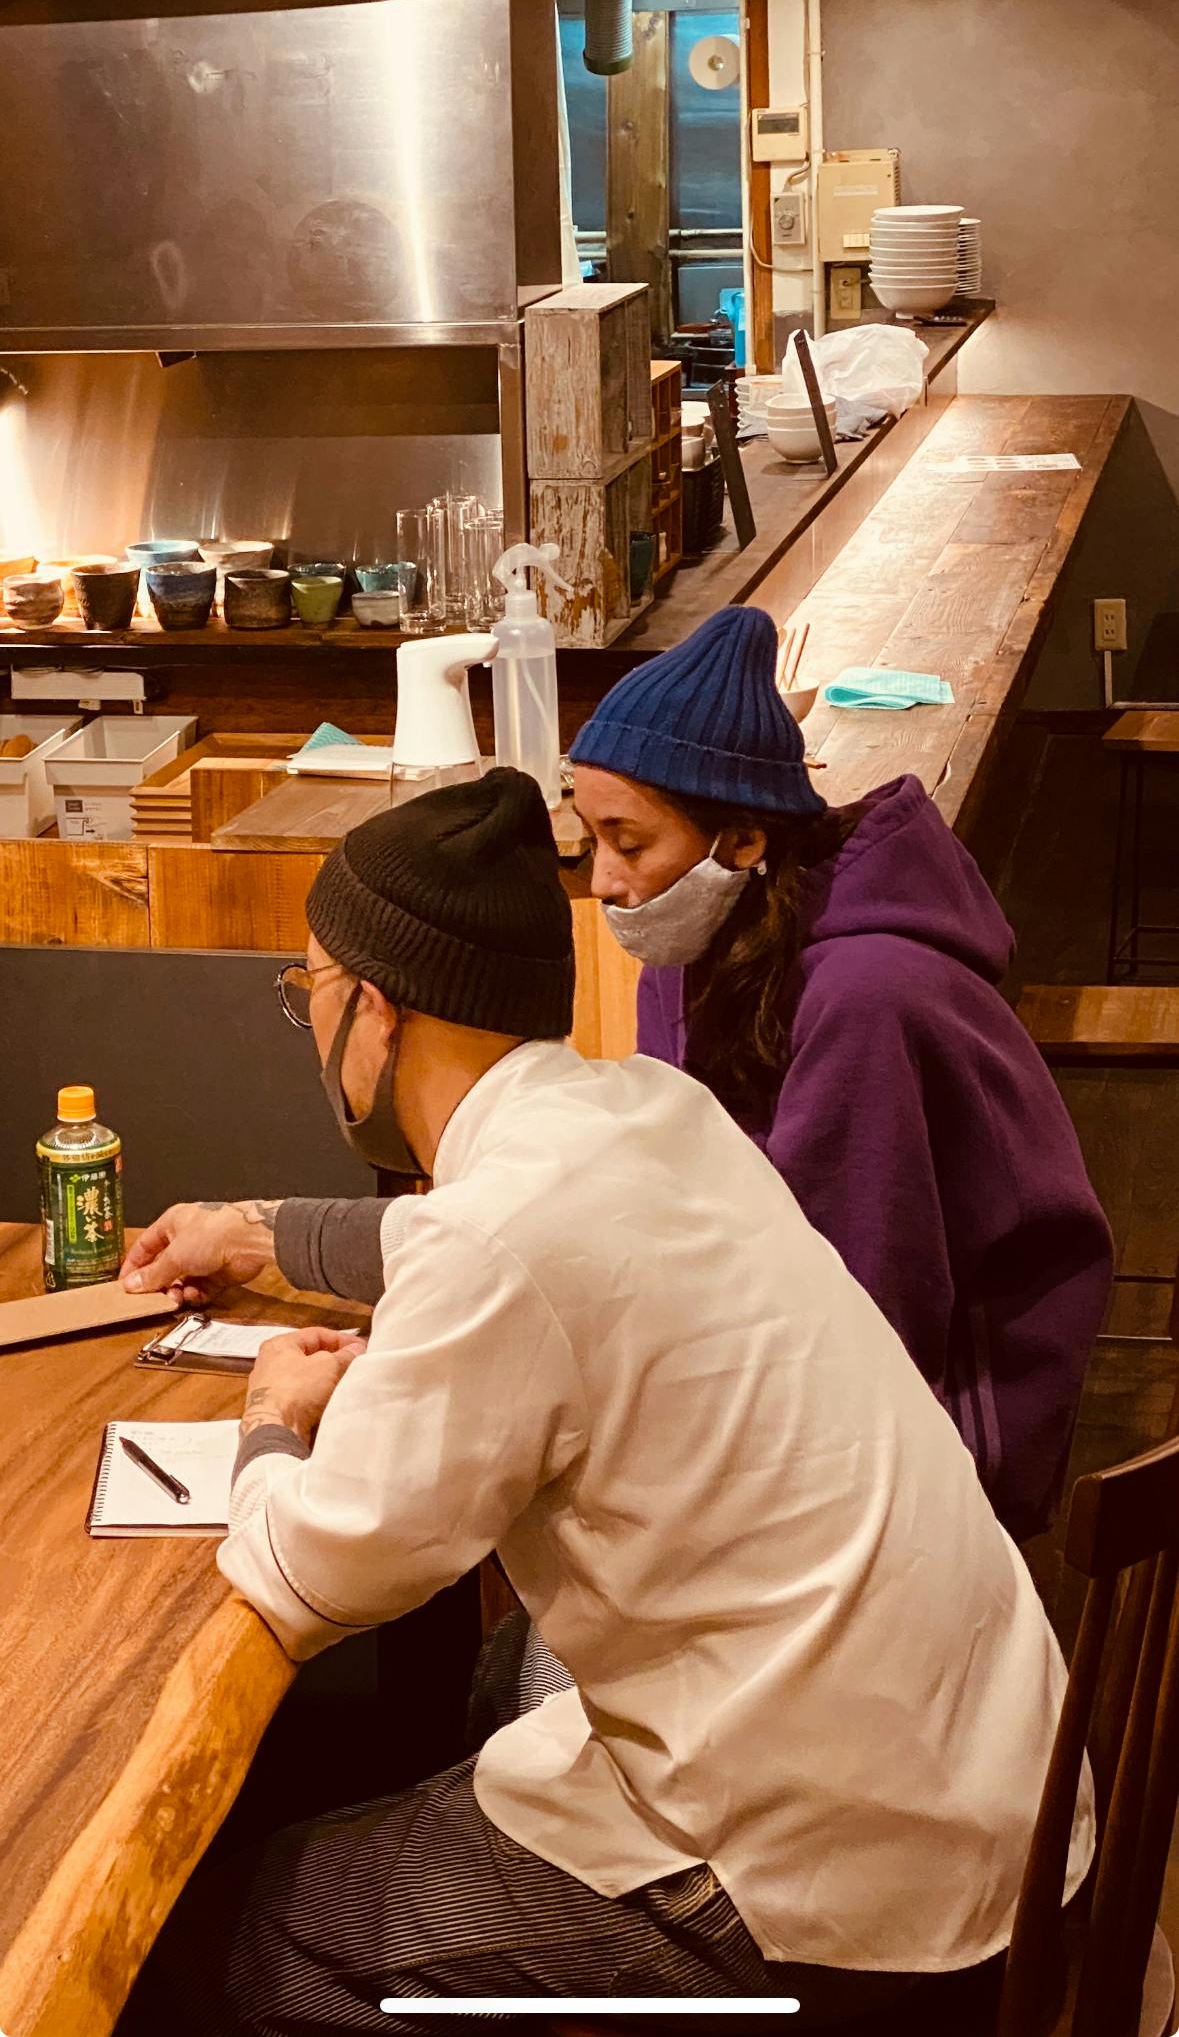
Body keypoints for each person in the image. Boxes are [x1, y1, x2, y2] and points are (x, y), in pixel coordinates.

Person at [118, 768, 1092, 2033]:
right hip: (1014, 1810)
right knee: (491, 1697)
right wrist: (259, 1230)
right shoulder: (658, 1114)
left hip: (853, 1902)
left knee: (228, 1941)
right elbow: (472, 1242)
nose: (309, 1023)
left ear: (377, 1011)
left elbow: (314, 1574)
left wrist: (271, 1422)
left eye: (311, 991)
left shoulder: (496, 1238)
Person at [568, 604, 1112, 1543]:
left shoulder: (867, 997)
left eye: (629, 841)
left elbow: (866, 1302)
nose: (603, 882)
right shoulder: (692, 950)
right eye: (589, 840)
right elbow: (679, 1189)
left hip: (943, 1420)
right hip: (807, 1353)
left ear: (743, 841)